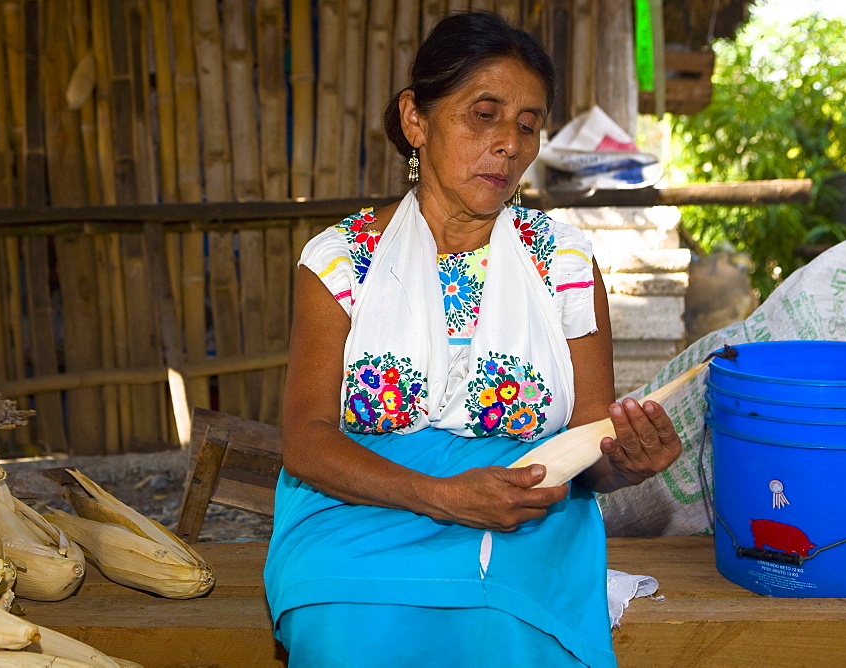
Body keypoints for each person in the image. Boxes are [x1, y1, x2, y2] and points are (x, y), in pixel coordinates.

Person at [264, 12, 681, 667]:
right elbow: (307, 443)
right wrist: (445, 496)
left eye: (527, 124)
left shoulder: (563, 263)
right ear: (416, 120)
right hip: (357, 511)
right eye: (483, 114)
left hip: (520, 521)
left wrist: (626, 460)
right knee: (350, 623)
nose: (509, 144)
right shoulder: (342, 261)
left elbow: (589, 448)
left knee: (505, 625)